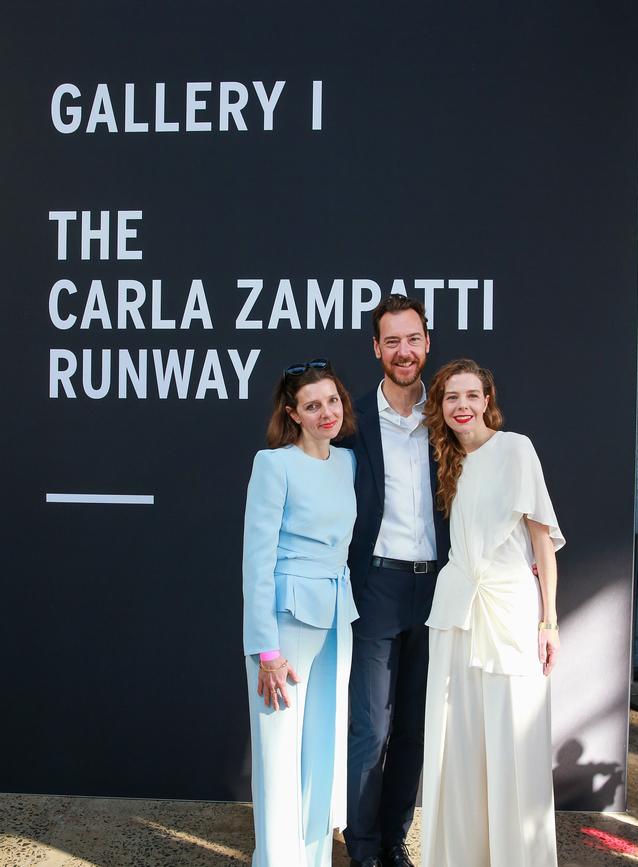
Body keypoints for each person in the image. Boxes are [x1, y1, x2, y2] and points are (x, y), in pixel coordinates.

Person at [420, 358, 564, 867]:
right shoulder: (445, 460)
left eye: (470, 395)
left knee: (512, 744)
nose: (461, 406)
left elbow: (542, 542)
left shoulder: (516, 449)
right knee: (455, 745)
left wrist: (549, 622)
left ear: (487, 401)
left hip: (509, 612)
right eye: (450, 397)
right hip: (456, 614)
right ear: (440, 406)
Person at [343, 295, 450, 867]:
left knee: (413, 732)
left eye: (413, 339)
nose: (403, 351)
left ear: (426, 343)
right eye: (392, 341)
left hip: (437, 590)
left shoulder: (451, 416)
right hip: (377, 588)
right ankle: (362, 852)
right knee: (371, 732)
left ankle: (392, 844)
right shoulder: (352, 420)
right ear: (377, 349)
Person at [242, 359, 360, 867]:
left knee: (322, 754)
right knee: (278, 758)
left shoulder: (349, 462)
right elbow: (256, 559)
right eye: (313, 405)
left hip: (337, 618)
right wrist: (265, 649)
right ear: (293, 414)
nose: (326, 412)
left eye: (332, 401)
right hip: (285, 626)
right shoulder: (274, 464)